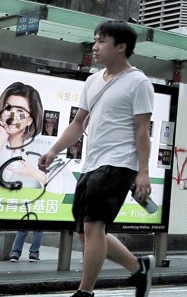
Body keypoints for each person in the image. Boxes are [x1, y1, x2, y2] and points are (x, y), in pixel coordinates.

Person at [37, 21, 155, 297]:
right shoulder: (92, 81)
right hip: (91, 164)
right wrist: (53, 150)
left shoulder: (138, 82)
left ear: (121, 47)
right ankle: (139, 268)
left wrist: (143, 171)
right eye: (95, 40)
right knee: (86, 234)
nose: (95, 46)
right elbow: (78, 123)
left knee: (93, 228)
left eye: (102, 41)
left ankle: (85, 292)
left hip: (119, 164)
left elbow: (142, 130)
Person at [0, 81, 71, 194]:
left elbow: (70, 185)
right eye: (8, 108)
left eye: (20, 111)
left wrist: (36, 175)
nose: (12, 117)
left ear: (29, 120)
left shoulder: (43, 146)